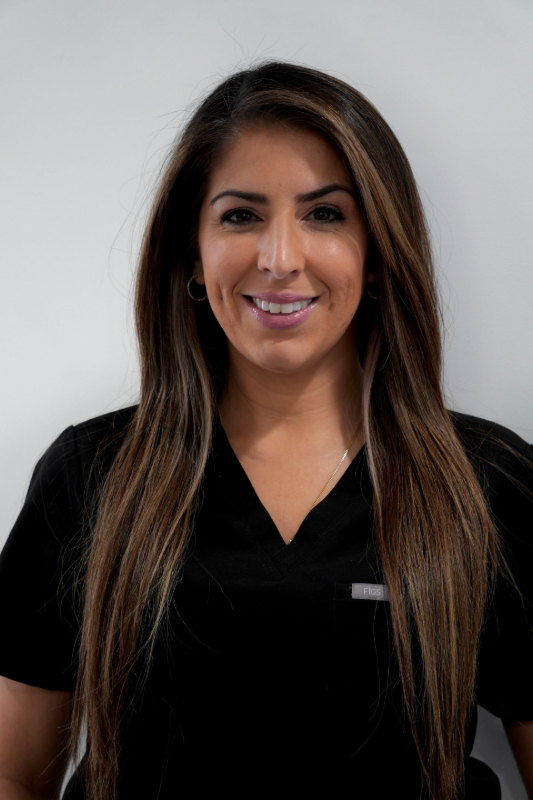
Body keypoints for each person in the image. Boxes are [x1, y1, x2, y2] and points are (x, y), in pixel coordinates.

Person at [0, 61, 532, 800]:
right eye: (240, 215)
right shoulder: (91, 476)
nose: (280, 259)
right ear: (192, 252)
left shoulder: (487, 483)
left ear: (378, 254)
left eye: (324, 214)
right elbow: (12, 775)